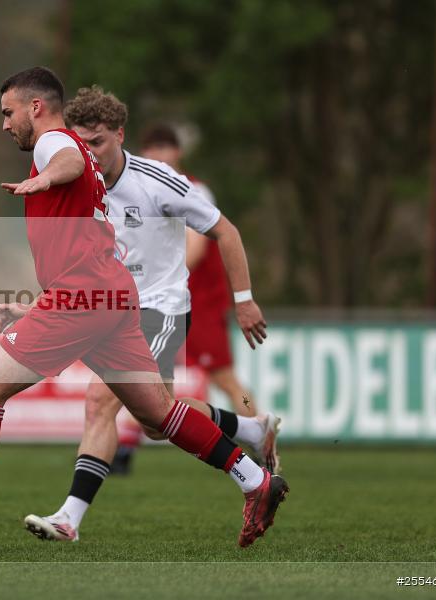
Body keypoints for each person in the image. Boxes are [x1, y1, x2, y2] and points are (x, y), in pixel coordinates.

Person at [0, 67, 287, 549]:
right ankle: (255, 480)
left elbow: (65, 160)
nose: (5, 124)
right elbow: (82, 245)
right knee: (159, 413)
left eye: (8, 113)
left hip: (85, 300)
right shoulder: (88, 163)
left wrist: (42, 179)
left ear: (35, 107)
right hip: (110, 296)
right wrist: (36, 305)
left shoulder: (56, 144)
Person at [23, 87, 281, 542]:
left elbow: (225, 230)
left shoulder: (157, 181)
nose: (91, 154)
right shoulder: (77, 184)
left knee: (101, 400)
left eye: (98, 142)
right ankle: (250, 428)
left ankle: (69, 517)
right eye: (82, 144)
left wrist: (244, 300)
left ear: (121, 135)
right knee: (156, 420)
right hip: (111, 312)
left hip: (160, 309)